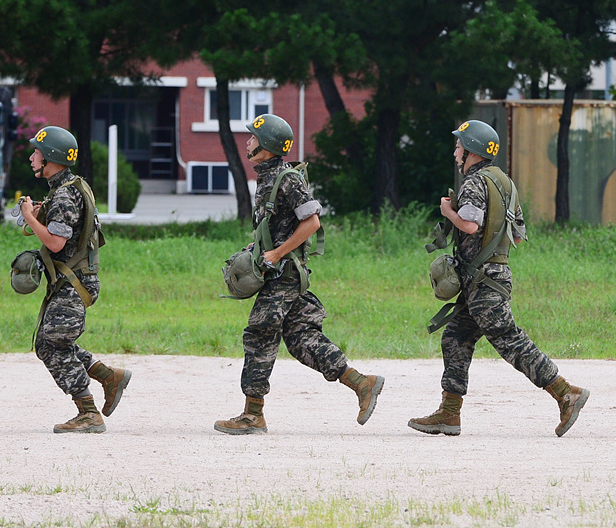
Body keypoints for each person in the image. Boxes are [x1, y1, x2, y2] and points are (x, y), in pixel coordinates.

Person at [408, 120, 589, 438]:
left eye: (459, 146)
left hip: (483, 283)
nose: (455, 152)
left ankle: (566, 393)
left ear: (471, 151)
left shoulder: (475, 183)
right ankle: (449, 414)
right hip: (493, 277)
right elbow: (518, 237)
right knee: (455, 338)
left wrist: (448, 211)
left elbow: (468, 225)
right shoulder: (506, 183)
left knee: (510, 341)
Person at [215, 113, 384, 434]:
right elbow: (281, 223)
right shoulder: (267, 177)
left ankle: (252, 415)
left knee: (260, 333)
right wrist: (260, 243)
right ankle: (362, 383)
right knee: (302, 337)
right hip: (278, 272)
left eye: (253, 138)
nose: (248, 141)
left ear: (265, 147)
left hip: (284, 274)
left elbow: (312, 222)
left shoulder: (286, 178)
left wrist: (277, 252)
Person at [19, 126, 131, 434]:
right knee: (53, 342)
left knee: (51, 344)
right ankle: (109, 376)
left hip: (74, 283)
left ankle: (89, 412)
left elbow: (55, 243)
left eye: (37, 152)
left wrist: (29, 216)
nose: (32, 157)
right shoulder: (66, 187)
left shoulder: (66, 194)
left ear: (50, 157)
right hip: (72, 281)